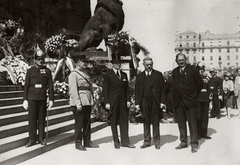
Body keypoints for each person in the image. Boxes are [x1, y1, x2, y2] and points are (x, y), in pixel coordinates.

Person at [23, 45, 54, 147]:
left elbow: (50, 86)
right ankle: (32, 139)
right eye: (38, 59)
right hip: (32, 98)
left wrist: (51, 99)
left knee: (41, 119)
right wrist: (25, 99)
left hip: (42, 98)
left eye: (42, 59)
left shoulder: (47, 71)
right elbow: (26, 86)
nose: (40, 61)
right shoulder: (30, 71)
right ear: (35, 60)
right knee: (32, 120)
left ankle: (41, 138)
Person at [172, 53, 203, 153]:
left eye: (182, 59)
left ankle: (194, 144)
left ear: (185, 59)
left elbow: (200, 84)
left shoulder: (193, 69)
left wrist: (194, 95)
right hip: (179, 101)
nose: (181, 62)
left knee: (192, 123)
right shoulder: (175, 71)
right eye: (179, 60)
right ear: (176, 61)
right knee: (181, 122)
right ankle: (183, 142)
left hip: (190, 100)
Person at [103, 55, 135, 149]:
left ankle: (125, 141)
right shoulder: (108, 75)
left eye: (119, 63)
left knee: (124, 120)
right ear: (112, 64)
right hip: (113, 102)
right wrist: (107, 102)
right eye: (116, 63)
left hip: (123, 102)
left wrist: (128, 100)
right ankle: (116, 141)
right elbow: (105, 90)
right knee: (113, 121)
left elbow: (127, 89)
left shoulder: (124, 75)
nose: (118, 65)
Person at [68, 54, 99, 151]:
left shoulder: (84, 74)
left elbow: (89, 87)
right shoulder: (73, 74)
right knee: (79, 123)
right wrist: (77, 103)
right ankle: (78, 143)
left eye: (84, 62)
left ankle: (87, 141)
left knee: (87, 122)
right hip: (79, 102)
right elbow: (73, 89)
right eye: (82, 62)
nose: (84, 64)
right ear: (77, 63)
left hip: (87, 101)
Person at [135, 56, 166, 150]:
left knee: (155, 121)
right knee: (146, 121)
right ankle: (147, 141)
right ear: (143, 65)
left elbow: (163, 89)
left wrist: (162, 102)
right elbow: (137, 90)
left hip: (155, 101)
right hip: (144, 101)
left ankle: (157, 142)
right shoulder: (140, 76)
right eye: (147, 65)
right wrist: (137, 103)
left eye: (151, 64)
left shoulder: (158, 74)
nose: (149, 66)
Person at [196, 62, 211, 139]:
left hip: (205, 99)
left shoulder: (207, 78)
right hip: (198, 99)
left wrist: (209, 98)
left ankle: (203, 133)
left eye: (202, 69)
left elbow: (209, 89)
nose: (201, 71)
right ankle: (198, 134)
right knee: (198, 117)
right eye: (199, 69)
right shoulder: (194, 78)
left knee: (205, 117)